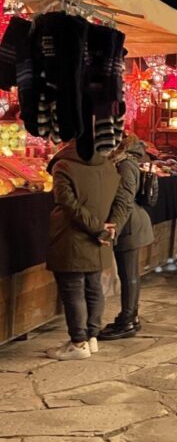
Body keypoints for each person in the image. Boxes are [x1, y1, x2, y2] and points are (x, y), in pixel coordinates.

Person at [45, 139, 120, 360]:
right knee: (93, 286)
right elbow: (118, 198)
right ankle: (91, 337)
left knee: (73, 290)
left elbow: (68, 203)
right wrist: (105, 228)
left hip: (72, 237)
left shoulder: (64, 166)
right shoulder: (108, 165)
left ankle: (78, 342)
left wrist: (97, 228)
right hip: (99, 239)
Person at [98, 135, 154, 340]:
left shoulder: (125, 164)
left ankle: (127, 320)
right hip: (127, 223)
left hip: (129, 225)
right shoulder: (121, 161)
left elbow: (124, 200)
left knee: (129, 274)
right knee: (129, 273)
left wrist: (113, 229)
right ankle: (131, 316)